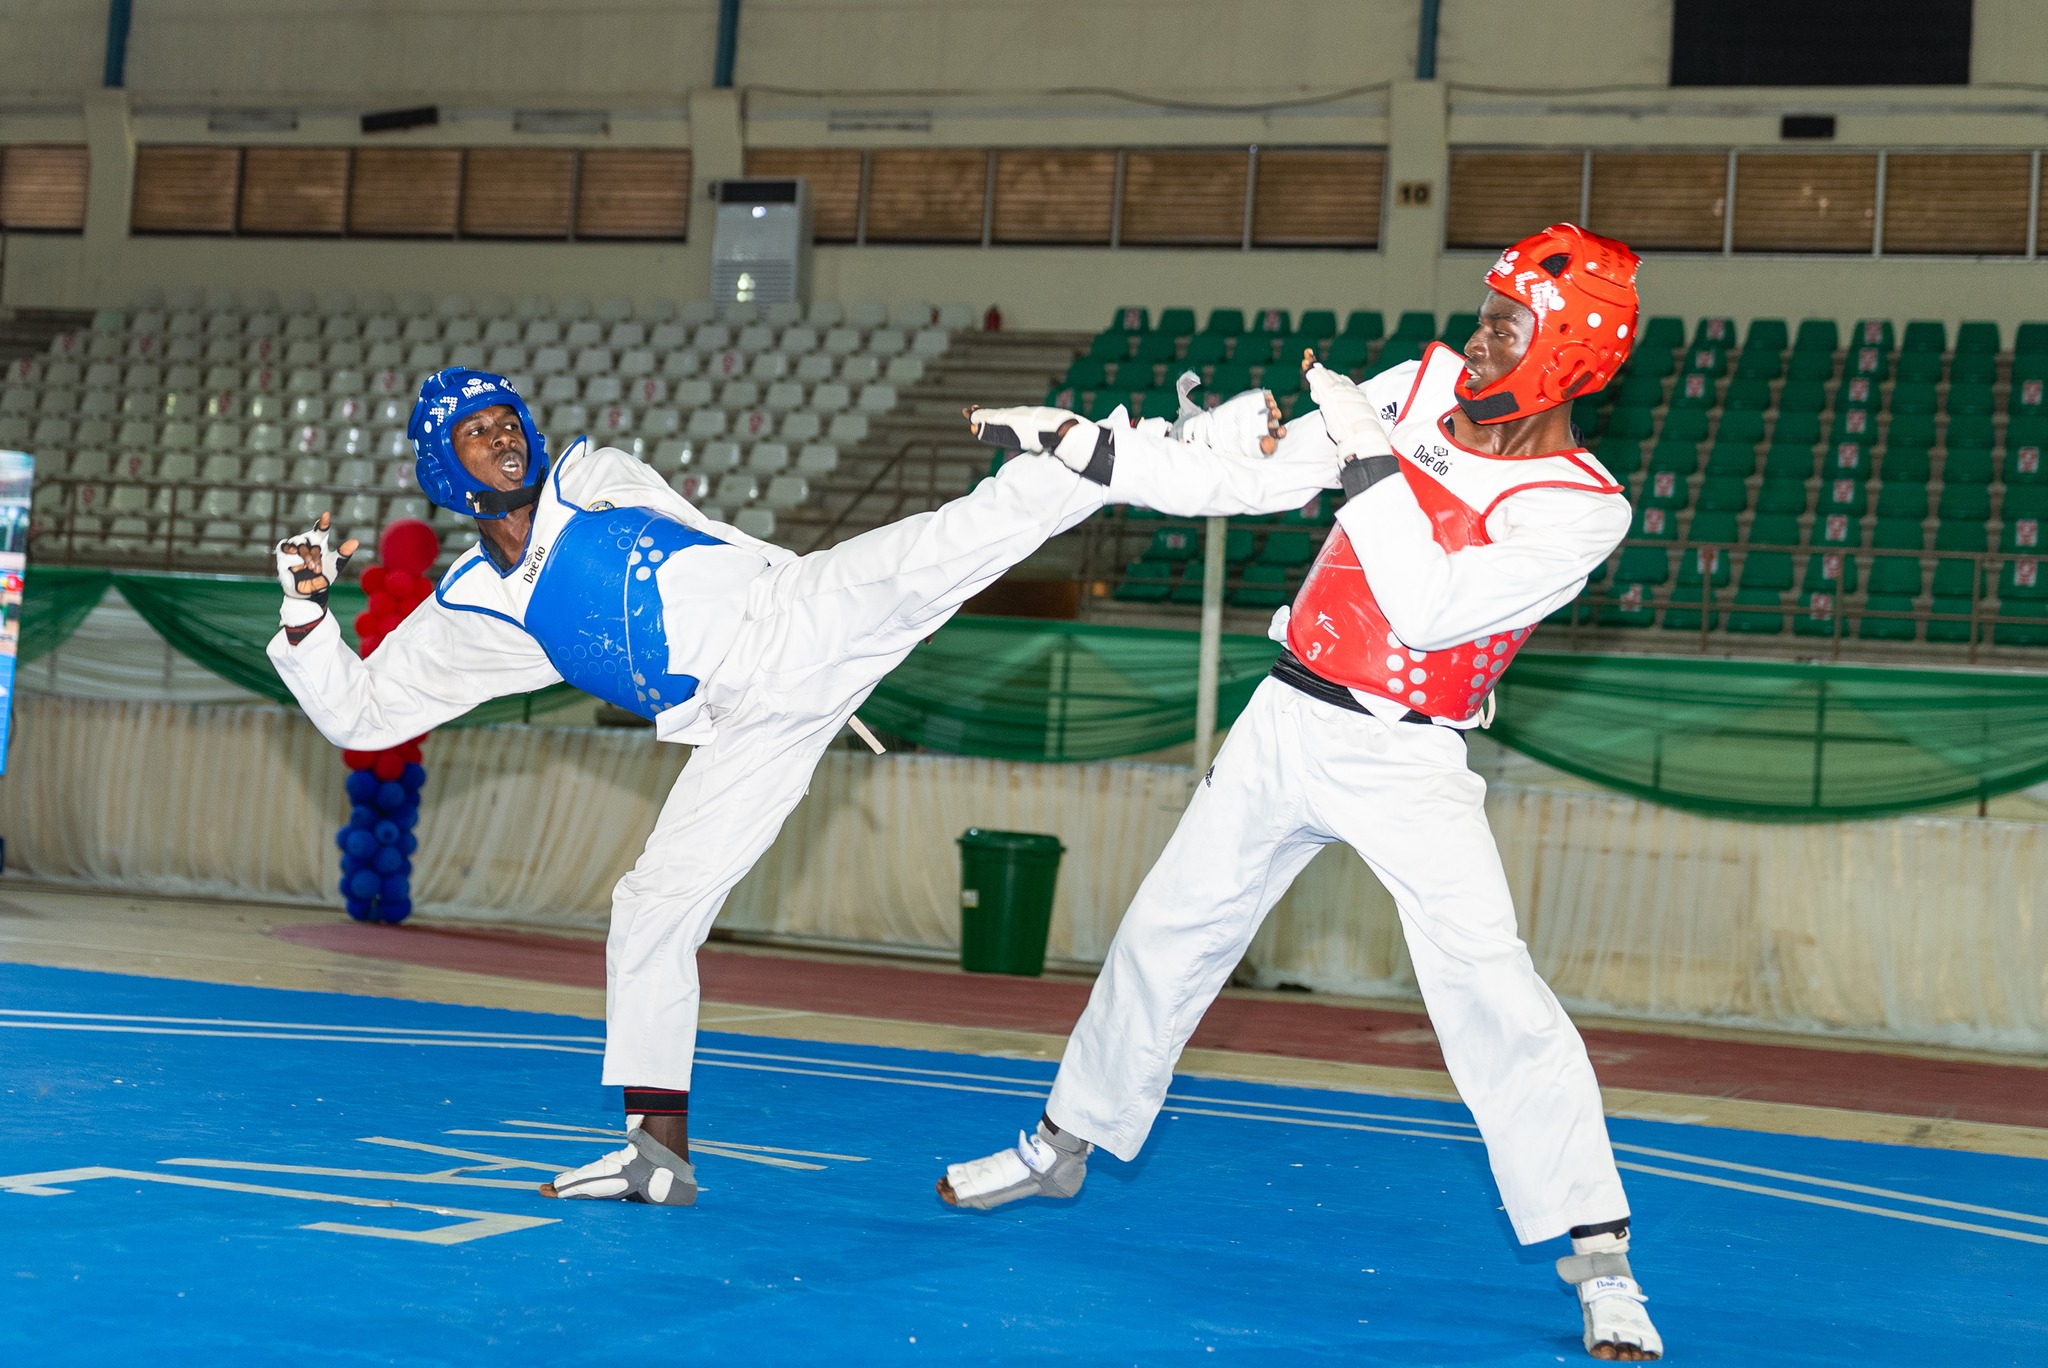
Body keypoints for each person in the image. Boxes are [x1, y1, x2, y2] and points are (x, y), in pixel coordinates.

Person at [937, 225, 1662, 1360]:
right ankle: (1058, 1147)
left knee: (1487, 983)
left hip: (1407, 756)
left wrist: (1371, 451)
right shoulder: (1416, 385)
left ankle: (1599, 1254)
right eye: (1482, 312)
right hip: (1285, 713)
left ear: (1565, 354)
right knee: (1165, 934)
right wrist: (1093, 453)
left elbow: (1424, 606)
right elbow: (1249, 474)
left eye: (1504, 324)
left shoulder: (1580, 506)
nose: (1476, 337)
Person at [267, 364, 1173, 1208]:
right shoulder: (475, 605)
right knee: (651, 907)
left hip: (793, 622)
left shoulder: (591, 476)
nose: (505, 437)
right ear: (443, 469)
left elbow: (672, 546)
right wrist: (306, 611)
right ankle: (655, 1151)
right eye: (476, 433)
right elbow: (366, 714)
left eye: (510, 421)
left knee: (946, 542)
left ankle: (1127, 450)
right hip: (749, 726)